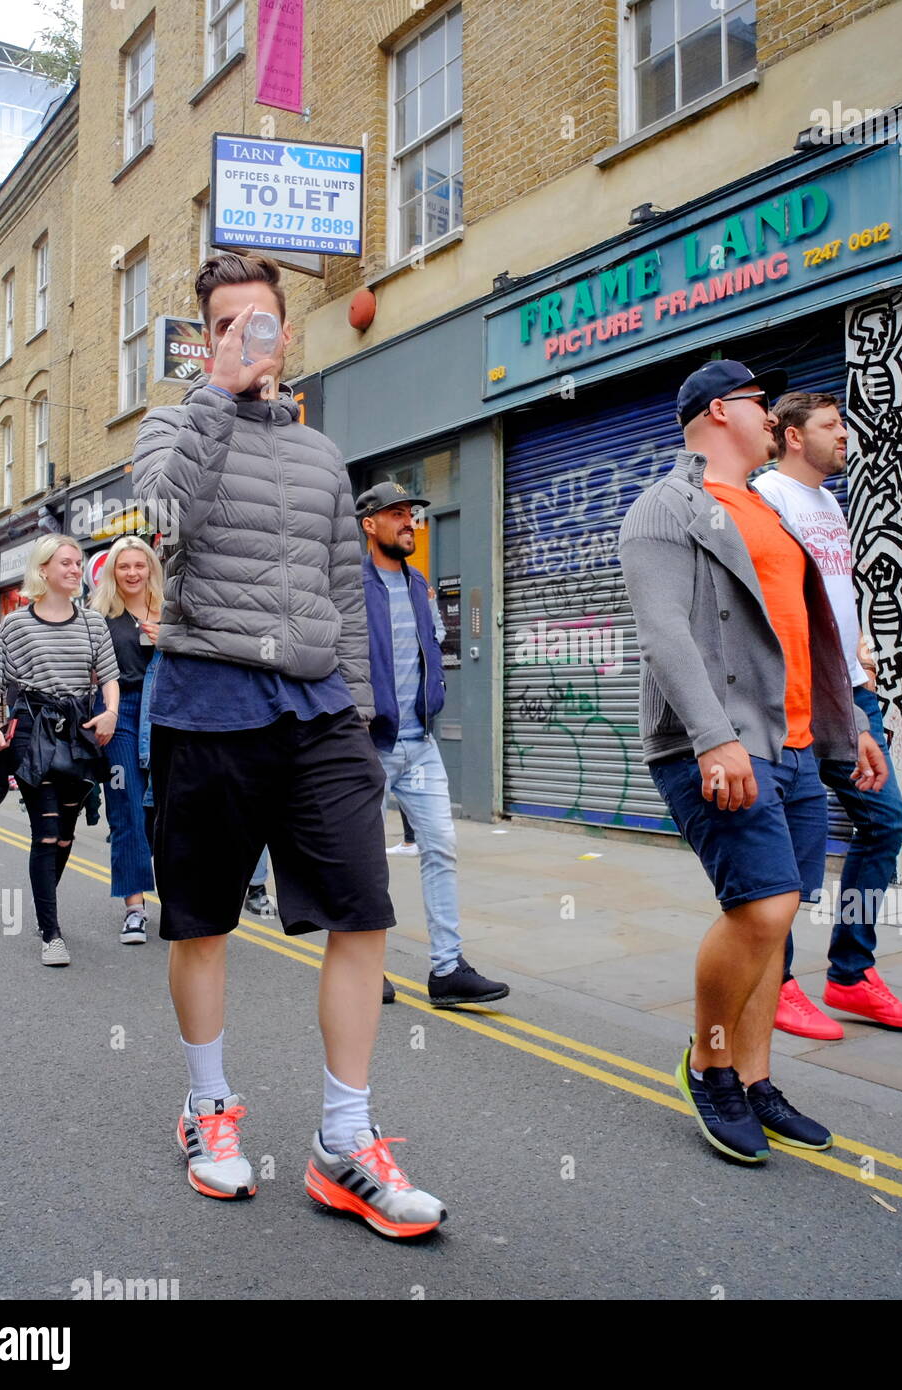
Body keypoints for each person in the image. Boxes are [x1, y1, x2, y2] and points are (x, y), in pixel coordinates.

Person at [133, 251, 444, 1236]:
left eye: (259, 322)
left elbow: (343, 590)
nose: (245, 338)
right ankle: (207, 1108)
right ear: (207, 335)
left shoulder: (321, 455)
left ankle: (344, 1143)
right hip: (208, 701)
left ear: (285, 331)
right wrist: (215, 396)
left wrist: (355, 707)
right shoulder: (170, 424)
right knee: (202, 923)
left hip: (316, 716)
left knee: (364, 909)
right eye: (226, 324)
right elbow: (167, 521)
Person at [619, 360, 888, 1164]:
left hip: (797, 745)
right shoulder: (666, 509)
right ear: (716, 412)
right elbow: (663, 631)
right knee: (761, 908)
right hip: (721, 744)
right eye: (759, 402)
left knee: (777, 927)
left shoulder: (770, 511)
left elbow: (812, 633)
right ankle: (708, 1063)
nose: (773, 415)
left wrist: (851, 730)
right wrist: (713, 737)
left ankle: (757, 1080)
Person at [753, 392, 902, 1037]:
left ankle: (851, 975)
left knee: (886, 824)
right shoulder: (766, 498)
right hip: (793, 697)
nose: (845, 436)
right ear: (794, 436)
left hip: (851, 692)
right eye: (832, 426)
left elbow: (830, 597)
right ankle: (776, 982)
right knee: (783, 848)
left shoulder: (829, 503)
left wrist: (858, 655)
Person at [358, 482, 509, 1008]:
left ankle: (447, 970)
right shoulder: (350, 586)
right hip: (367, 746)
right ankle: (365, 968)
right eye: (396, 514)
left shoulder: (419, 582)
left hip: (419, 742)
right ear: (369, 525)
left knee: (440, 849)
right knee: (364, 861)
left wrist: (434, 698)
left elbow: (431, 649)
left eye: (412, 515)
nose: (409, 522)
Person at [0, 535, 119, 966]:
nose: (76, 570)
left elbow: (108, 676)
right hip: (32, 734)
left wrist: (111, 711)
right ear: (44, 570)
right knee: (45, 832)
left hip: (78, 734)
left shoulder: (93, 623)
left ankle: (45, 910)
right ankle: (52, 933)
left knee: (64, 836)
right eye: (67, 563)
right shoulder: (16, 625)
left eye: (78, 563)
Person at [90, 535, 163, 945]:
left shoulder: (171, 611)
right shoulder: (99, 615)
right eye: (124, 566)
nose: (133, 573)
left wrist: (169, 636)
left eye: (140, 565)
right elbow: (88, 672)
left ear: (150, 568)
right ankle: (134, 908)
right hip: (119, 716)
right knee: (127, 811)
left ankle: (177, 898)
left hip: (167, 717)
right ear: (112, 572)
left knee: (166, 813)